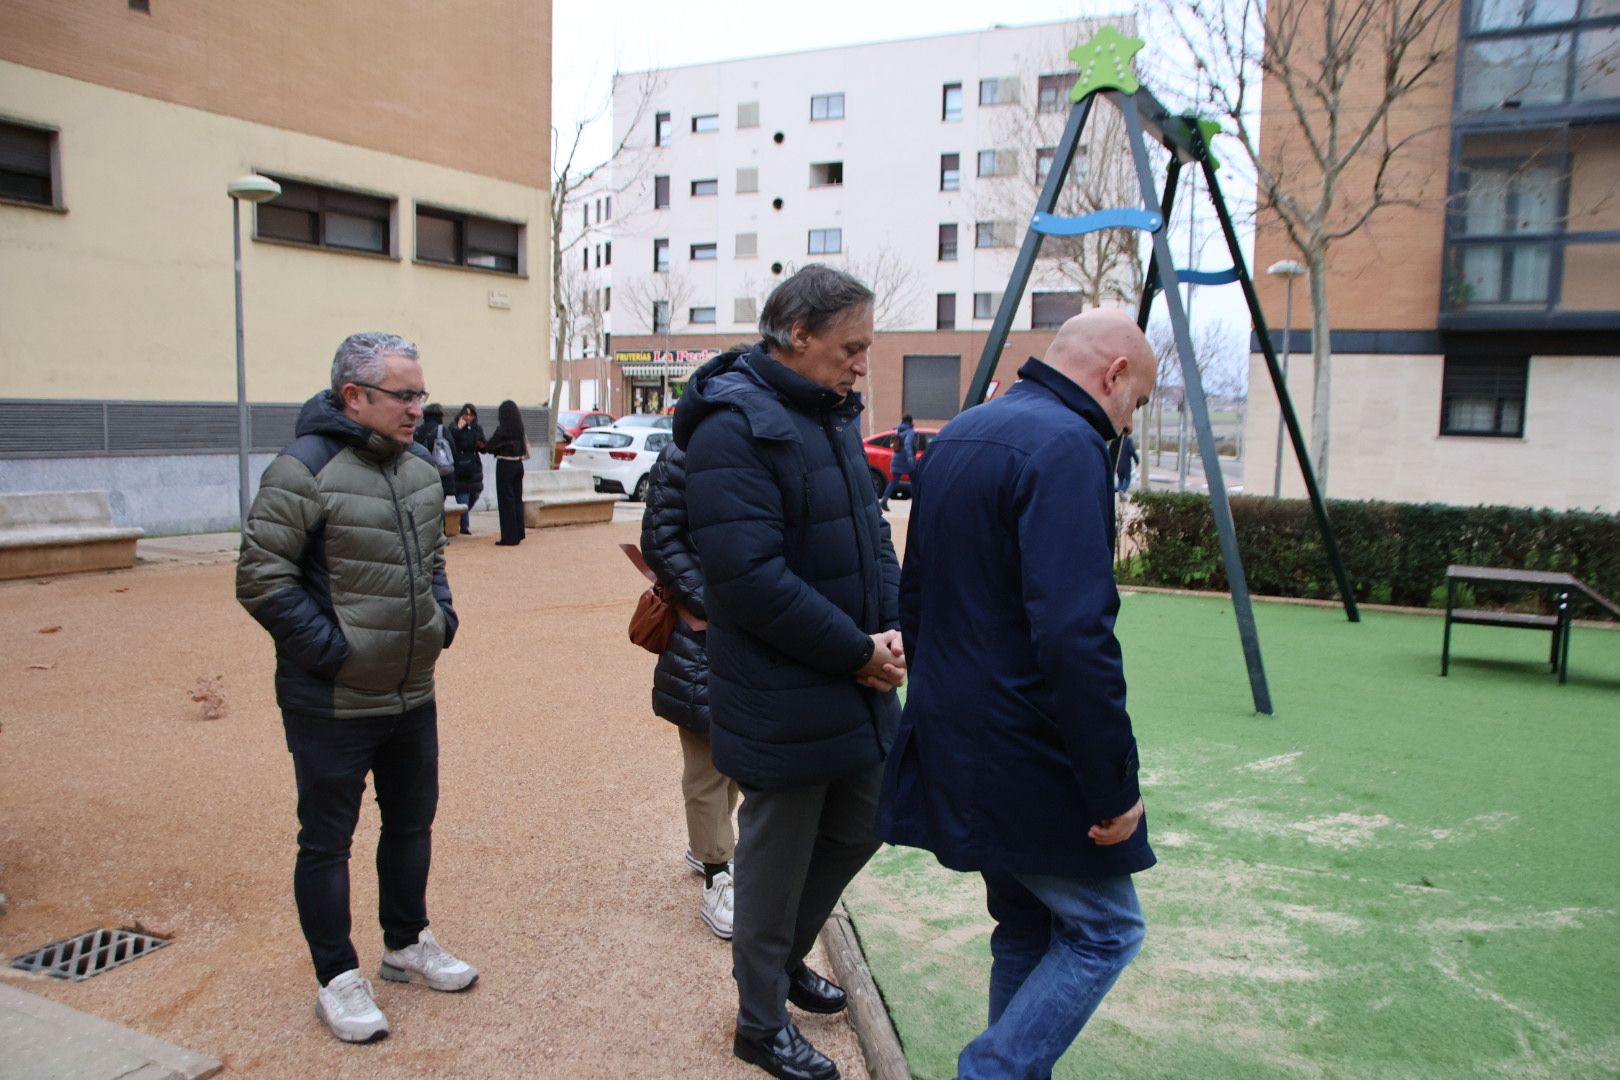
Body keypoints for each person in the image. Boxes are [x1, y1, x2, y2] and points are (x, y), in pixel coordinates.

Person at [878, 309, 1158, 1080]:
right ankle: (992, 1072)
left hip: (958, 729)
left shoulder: (964, 432)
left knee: (1026, 925)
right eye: (1138, 402)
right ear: (1114, 375)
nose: (1130, 419)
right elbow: (1075, 635)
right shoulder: (1070, 446)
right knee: (1107, 930)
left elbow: (918, 596)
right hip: (1029, 746)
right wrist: (1114, 789)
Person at [674, 265, 907, 1080]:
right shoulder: (732, 426)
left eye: (867, 348)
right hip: (783, 690)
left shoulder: (830, 413)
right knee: (772, 869)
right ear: (796, 335)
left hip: (854, 672)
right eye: (851, 348)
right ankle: (759, 1022)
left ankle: (780, 965)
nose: (861, 366)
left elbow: (870, 532)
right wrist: (857, 651)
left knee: (868, 818)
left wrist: (893, 627)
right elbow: (748, 581)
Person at [236, 332, 478, 1045]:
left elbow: (432, 560)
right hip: (332, 700)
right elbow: (261, 578)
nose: (417, 408)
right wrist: (334, 654)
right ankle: (337, 977)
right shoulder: (302, 469)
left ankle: (405, 943)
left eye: (420, 394)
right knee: (327, 842)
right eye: (403, 395)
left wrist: (441, 620)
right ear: (354, 397)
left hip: (412, 690)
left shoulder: (420, 469)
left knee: (411, 824)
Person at [640, 433, 738, 941]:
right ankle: (717, 870)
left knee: (739, 761)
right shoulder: (683, 452)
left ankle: (710, 843)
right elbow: (659, 538)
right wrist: (715, 603)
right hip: (703, 631)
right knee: (706, 762)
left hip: (757, 631)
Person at [483, 400, 528, 546]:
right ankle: (519, 532)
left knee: (506, 501)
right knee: (516, 500)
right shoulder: (519, 430)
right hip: (518, 464)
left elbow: (489, 447)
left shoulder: (502, 430)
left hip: (505, 464)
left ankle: (509, 537)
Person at [451, 403, 487, 534]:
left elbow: (483, 446)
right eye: (465, 414)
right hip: (460, 466)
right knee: (463, 495)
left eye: (470, 414)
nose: (468, 417)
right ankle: (464, 525)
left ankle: (463, 518)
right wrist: (459, 429)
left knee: (475, 492)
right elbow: (451, 440)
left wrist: (483, 446)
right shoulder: (454, 426)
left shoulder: (477, 428)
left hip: (474, 467)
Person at [414, 403, 458, 501]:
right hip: (441, 477)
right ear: (440, 416)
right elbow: (453, 454)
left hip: (420, 478)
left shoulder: (417, 431)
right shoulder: (443, 431)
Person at [878, 413, 916, 512]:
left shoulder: (899, 430)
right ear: (910, 421)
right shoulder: (910, 431)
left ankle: (884, 500)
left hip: (896, 457)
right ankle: (916, 502)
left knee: (894, 481)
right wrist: (910, 457)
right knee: (914, 480)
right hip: (905, 459)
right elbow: (908, 444)